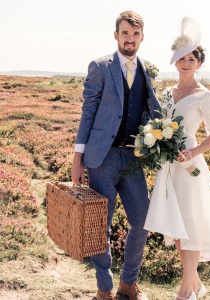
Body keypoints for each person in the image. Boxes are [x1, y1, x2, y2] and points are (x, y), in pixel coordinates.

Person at [71, 11, 161, 300]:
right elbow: (88, 113)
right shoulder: (100, 66)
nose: (130, 39)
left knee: (143, 220)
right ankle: (104, 287)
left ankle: (128, 283)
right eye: (125, 33)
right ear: (116, 35)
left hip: (133, 158)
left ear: (142, 37)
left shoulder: (146, 68)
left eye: (135, 34)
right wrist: (77, 159)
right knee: (101, 226)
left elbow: (151, 109)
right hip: (103, 158)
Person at [144, 17, 210, 300]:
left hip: (189, 166)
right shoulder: (168, 93)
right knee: (178, 226)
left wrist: (192, 152)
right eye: (182, 58)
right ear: (175, 61)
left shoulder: (205, 97)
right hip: (169, 167)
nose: (186, 63)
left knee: (191, 226)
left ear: (199, 63)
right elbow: (160, 122)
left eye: (191, 58)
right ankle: (195, 284)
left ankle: (186, 292)